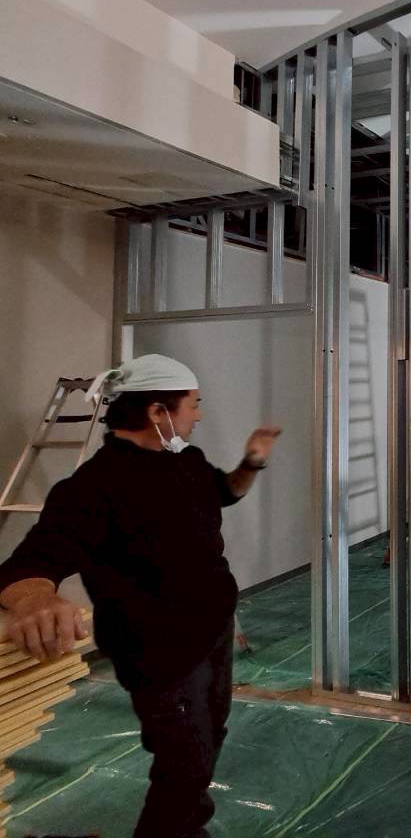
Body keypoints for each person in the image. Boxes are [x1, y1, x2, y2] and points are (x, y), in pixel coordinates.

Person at [0, 354, 281, 838]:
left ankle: (187, 827)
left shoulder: (187, 461)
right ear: (157, 412)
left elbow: (227, 492)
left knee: (209, 734)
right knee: (185, 758)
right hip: (159, 651)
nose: (199, 415)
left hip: (211, 632)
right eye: (193, 404)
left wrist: (252, 461)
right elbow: (27, 566)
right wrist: (34, 601)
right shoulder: (95, 486)